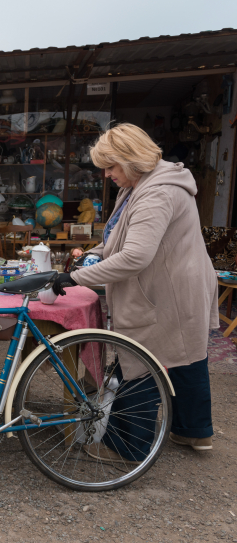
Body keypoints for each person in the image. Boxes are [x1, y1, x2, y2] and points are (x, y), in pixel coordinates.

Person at [53, 123, 219, 460]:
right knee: (186, 355)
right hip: (176, 283)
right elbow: (119, 239)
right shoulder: (140, 184)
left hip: (169, 289)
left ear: (131, 160)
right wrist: (94, 255)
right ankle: (194, 431)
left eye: (111, 167)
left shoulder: (157, 193)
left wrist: (77, 279)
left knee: (141, 361)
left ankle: (128, 448)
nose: (107, 175)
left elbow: (134, 256)